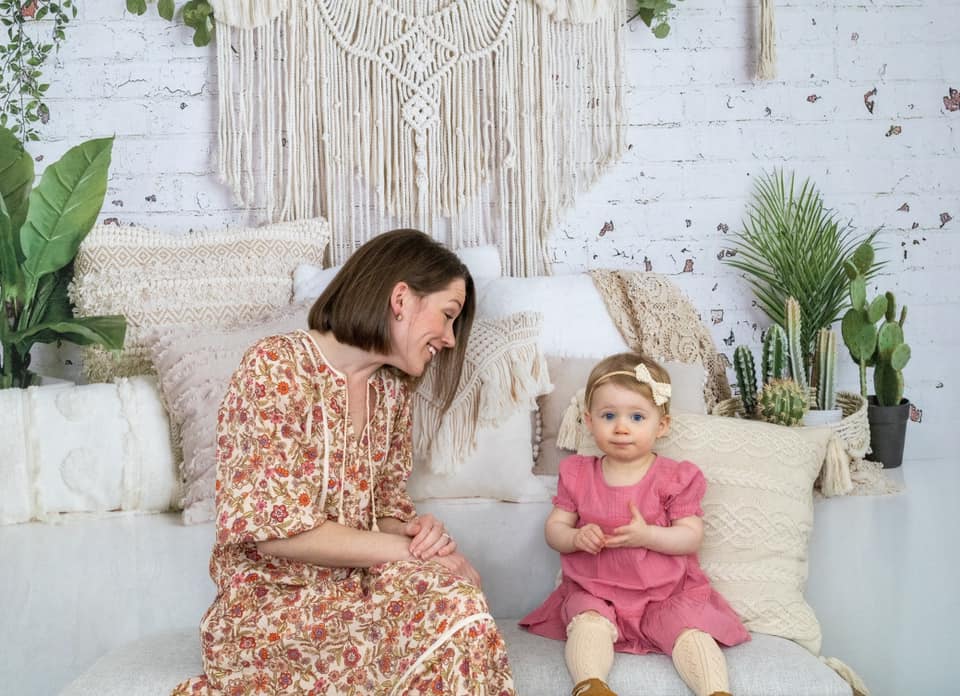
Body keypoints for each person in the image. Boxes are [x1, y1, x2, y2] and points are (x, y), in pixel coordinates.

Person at [172, 229, 516, 695]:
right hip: (270, 610)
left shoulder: (392, 392)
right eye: (448, 316)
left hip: (354, 591)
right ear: (401, 299)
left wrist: (422, 538)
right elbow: (276, 533)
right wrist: (406, 551)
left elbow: (388, 511)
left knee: (461, 603)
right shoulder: (275, 367)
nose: (451, 339)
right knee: (452, 611)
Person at [519, 353, 749, 696]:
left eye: (637, 416)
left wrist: (648, 535)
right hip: (596, 590)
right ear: (589, 420)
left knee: (691, 632)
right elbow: (555, 529)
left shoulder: (674, 477)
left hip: (664, 595)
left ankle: (716, 691)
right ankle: (591, 685)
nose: (621, 427)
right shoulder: (579, 474)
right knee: (587, 623)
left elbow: (691, 536)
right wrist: (575, 536)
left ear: (662, 425)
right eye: (608, 415)